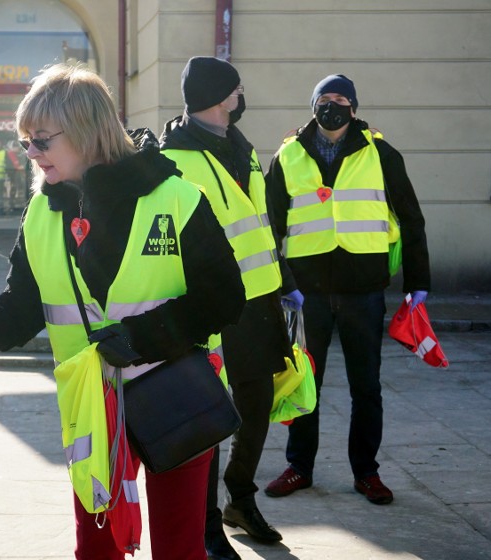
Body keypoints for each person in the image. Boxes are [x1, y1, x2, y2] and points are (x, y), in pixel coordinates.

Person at [0, 63, 246, 559]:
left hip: (177, 396)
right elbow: (20, 309)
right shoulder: (42, 211)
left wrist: (143, 338)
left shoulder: (177, 196)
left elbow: (225, 297)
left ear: (85, 131)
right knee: (97, 550)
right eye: (25, 142)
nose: (31, 154)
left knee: (179, 550)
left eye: (42, 140)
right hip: (91, 409)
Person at [160, 56, 304, 558]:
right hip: (213, 309)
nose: (242, 96)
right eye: (237, 89)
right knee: (213, 417)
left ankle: (240, 499)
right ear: (221, 97)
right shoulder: (174, 157)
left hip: (260, 303)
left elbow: (259, 222)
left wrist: (283, 280)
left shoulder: (241, 148)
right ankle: (206, 527)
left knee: (257, 405)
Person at [263, 74, 430, 505]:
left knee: (366, 387)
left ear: (353, 107)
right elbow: (269, 225)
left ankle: (366, 472)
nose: (331, 107)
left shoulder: (381, 153)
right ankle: (299, 467)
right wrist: (280, 282)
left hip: (363, 290)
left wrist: (418, 283)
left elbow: (411, 220)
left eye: (340, 99)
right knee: (305, 384)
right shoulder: (289, 155)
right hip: (307, 293)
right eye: (323, 99)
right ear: (312, 105)